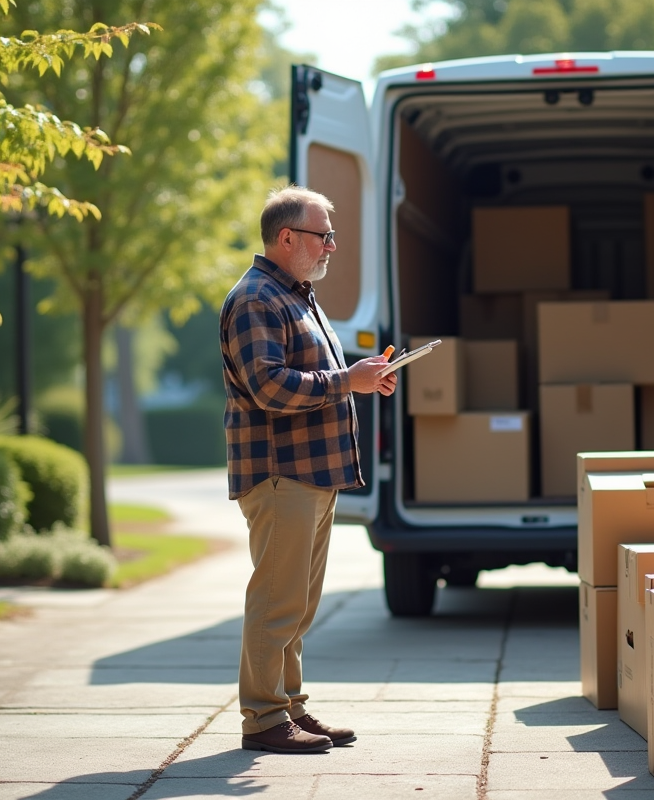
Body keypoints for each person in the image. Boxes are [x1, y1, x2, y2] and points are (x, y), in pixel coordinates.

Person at [220, 186, 397, 754]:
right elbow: (270, 387)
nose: (332, 246)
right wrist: (349, 380)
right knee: (277, 602)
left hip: (310, 474)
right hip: (282, 475)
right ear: (287, 237)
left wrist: (361, 377)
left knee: (295, 605)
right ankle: (264, 719)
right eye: (324, 235)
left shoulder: (294, 295)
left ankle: (288, 707)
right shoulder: (256, 298)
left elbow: (309, 378)